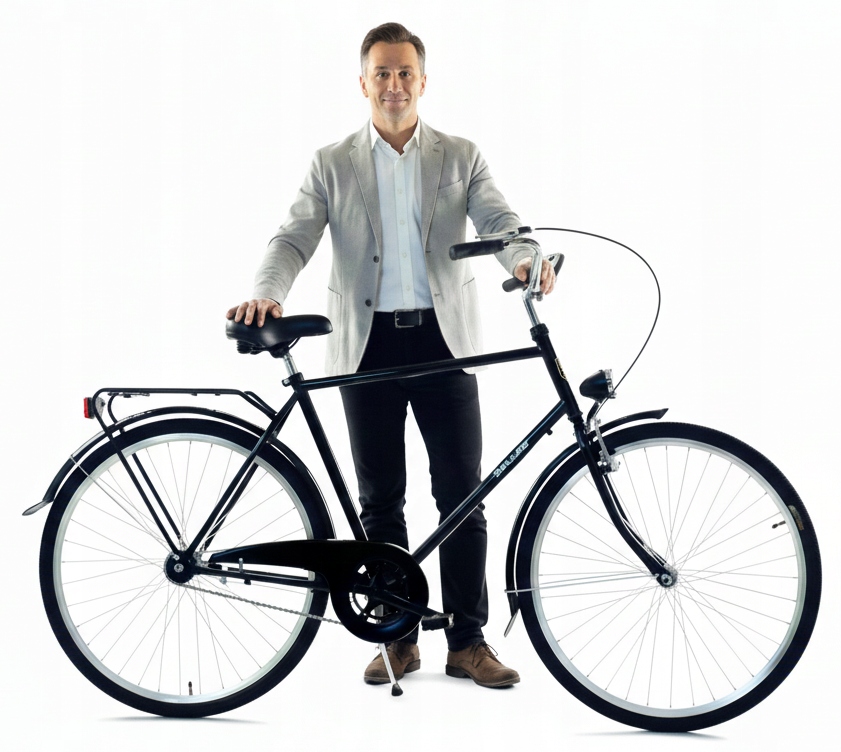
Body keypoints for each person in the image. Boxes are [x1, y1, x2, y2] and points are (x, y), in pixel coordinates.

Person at [227, 22, 554, 689]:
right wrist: (267, 293)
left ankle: (467, 641)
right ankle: (397, 636)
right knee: (380, 502)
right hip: (365, 343)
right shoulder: (332, 162)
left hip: (444, 340)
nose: (394, 84)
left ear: (423, 81)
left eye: (405, 72)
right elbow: (292, 237)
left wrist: (525, 258)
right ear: (363, 83)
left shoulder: (459, 155)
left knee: (462, 496)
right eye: (382, 73)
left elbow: (499, 221)